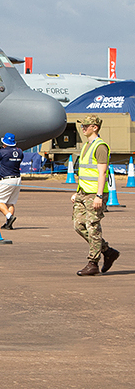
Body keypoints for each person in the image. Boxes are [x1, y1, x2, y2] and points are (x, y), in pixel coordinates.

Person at [72, 115, 120, 276]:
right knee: (79, 225)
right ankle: (107, 251)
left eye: (86, 126)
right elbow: (85, 172)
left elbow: (102, 173)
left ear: (95, 127)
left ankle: (93, 263)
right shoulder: (87, 145)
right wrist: (77, 192)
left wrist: (99, 195)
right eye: (82, 126)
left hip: (94, 193)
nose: (83, 128)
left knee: (93, 227)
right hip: (83, 192)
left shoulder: (100, 147)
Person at [0, 132, 24, 230]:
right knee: (10, 202)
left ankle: (9, 217)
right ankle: (8, 224)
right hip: (17, 178)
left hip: (6, 179)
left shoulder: (2, 152)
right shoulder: (20, 151)